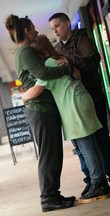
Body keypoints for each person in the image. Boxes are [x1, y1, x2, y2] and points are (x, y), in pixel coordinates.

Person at [22, 35, 110, 203]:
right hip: (83, 100)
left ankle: (98, 182)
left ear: (38, 53)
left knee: (85, 146)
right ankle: (101, 182)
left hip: (73, 106)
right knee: (92, 142)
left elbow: (36, 90)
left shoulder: (48, 65)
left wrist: (24, 97)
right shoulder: (62, 58)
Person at [4, 14, 78, 212]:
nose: (37, 31)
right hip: (39, 109)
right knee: (49, 155)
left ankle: (53, 194)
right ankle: (48, 199)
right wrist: (65, 71)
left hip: (43, 108)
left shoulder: (27, 50)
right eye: (34, 28)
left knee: (53, 154)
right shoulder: (25, 50)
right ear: (27, 31)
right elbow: (43, 74)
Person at [49, 12, 110, 194]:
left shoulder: (82, 39)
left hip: (94, 98)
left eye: (57, 26)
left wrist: (70, 62)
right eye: (53, 29)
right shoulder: (57, 50)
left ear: (67, 23)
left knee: (102, 140)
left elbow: (93, 62)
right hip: (74, 103)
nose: (55, 31)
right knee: (83, 145)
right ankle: (93, 180)